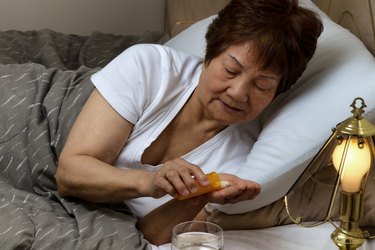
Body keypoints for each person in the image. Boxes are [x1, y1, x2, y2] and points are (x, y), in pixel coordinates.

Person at [56, 0, 323, 245]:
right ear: (208, 54)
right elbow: (69, 174)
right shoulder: (150, 67)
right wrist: (152, 182)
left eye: (262, 85)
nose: (238, 92)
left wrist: (200, 197)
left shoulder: (238, 160)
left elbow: (151, 234)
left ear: (278, 92)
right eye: (231, 70)